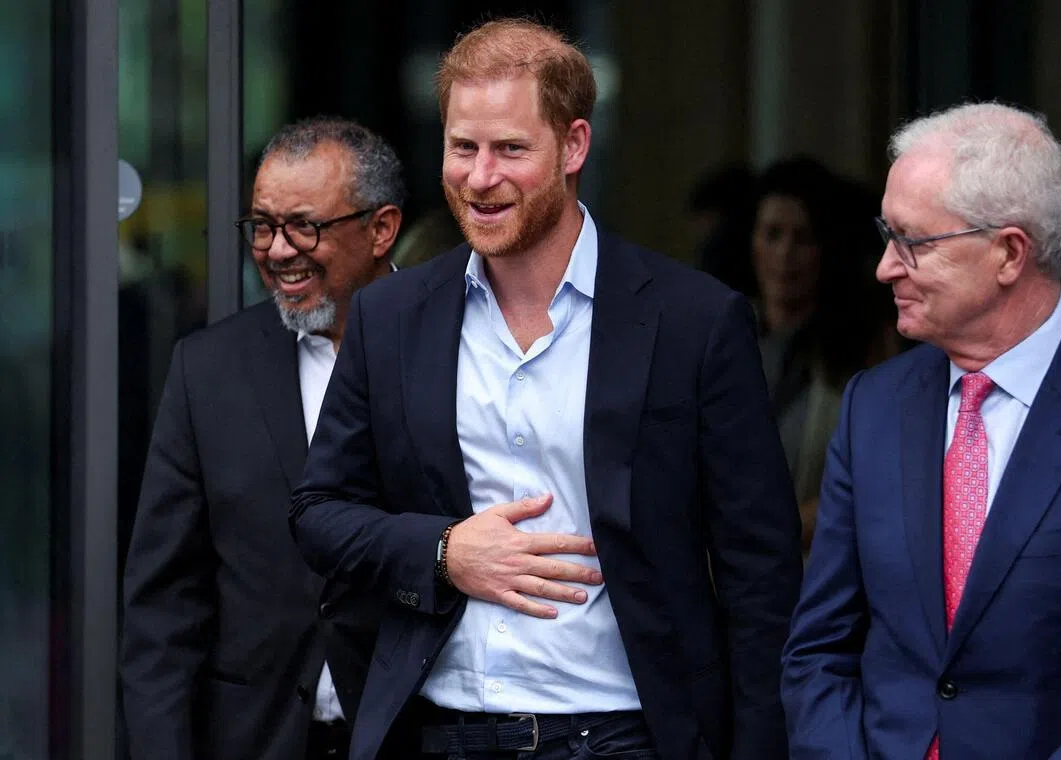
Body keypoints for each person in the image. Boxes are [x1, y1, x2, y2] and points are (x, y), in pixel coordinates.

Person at [290, 19, 801, 760]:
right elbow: (318, 513)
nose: (479, 175)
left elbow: (762, 573)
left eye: (510, 149)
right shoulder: (391, 315)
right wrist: (441, 552)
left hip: (626, 735)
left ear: (574, 147)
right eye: (463, 147)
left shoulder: (694, 321)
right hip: (439, 732)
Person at [781, 101, 1061, 759]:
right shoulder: (874, 408)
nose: (886, 266)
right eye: (886, 236)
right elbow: (819, 648)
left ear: (1009, 252)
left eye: (913, 242)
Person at [120, 117, 405, 760]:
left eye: (304, 225)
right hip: (256, 737)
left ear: (381, 229)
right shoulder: (208, 369)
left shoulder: (455, 348)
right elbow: (165, 608)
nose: (278, 250)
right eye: (262, 226)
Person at [746, 157, 896, 555]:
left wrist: (765, 538)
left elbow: (874, 482)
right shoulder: (718, 334)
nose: (785, 254)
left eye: (803, 238)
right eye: (772, 234)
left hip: (816, 580)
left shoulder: (863, 348)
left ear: (826, 249)